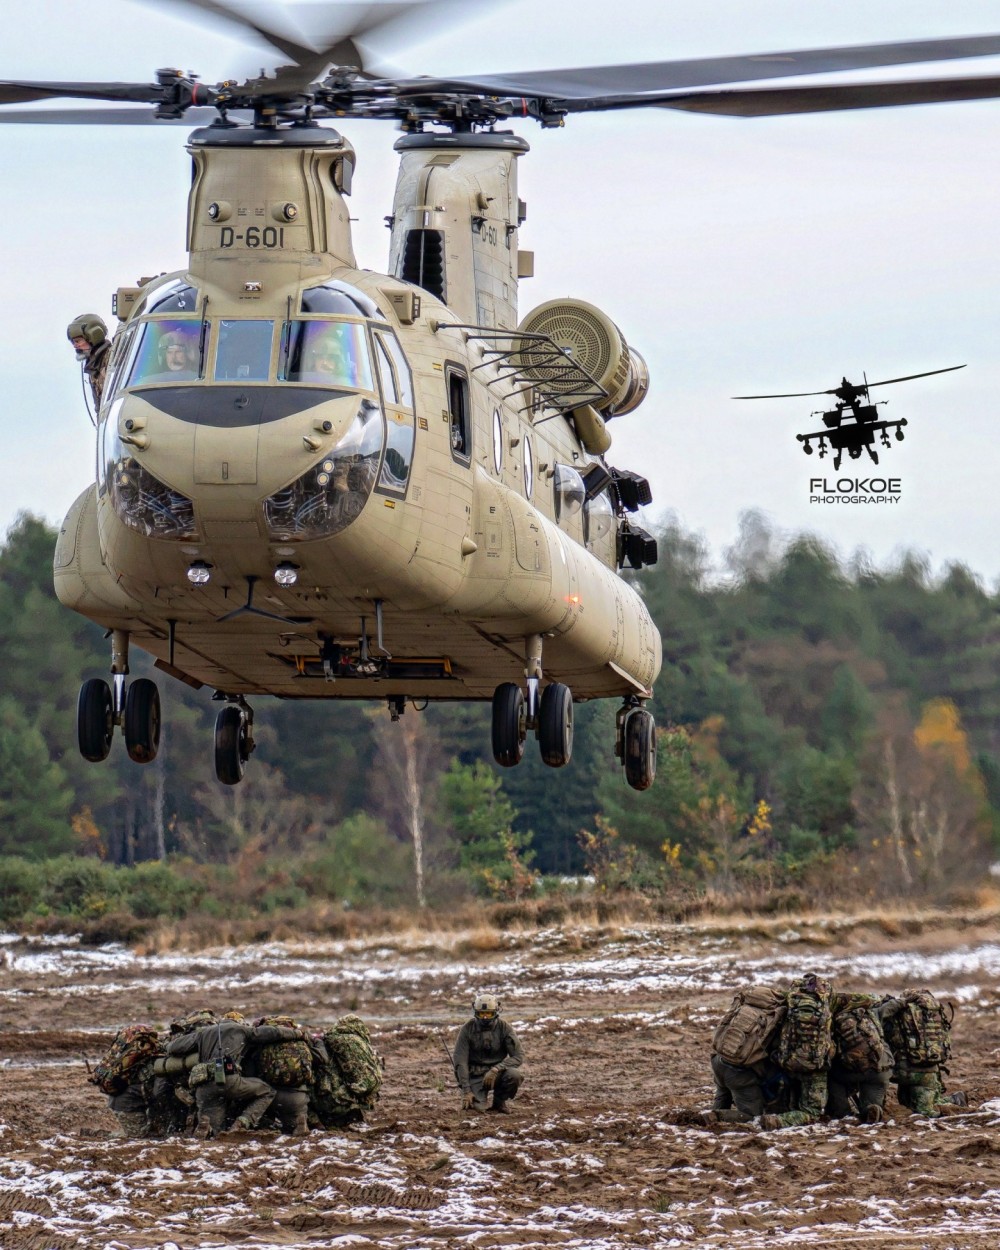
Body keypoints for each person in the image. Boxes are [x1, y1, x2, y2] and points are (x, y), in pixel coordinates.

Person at [166, 1012, 303, 1138]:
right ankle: (242, 1123)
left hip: (204, 1086)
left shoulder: (203, 1033)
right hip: (230, 1080)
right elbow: (274, 1033)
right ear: (239, 1022)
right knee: (267, 1091)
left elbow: (173, 1047)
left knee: (216, 1132)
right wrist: (298, 1034)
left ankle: (207, 1128)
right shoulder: (242, 1030)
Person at [826, 992, 901, 1123]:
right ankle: (871, 1108)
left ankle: (843, 1113)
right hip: (880, 1069)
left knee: (832, 1078)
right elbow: (892, 1006)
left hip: (850, 1071)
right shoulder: (872, 1013)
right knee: (873, 1095)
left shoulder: (833, 1019)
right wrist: (907, 1000)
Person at [452, 993, 524, 1114]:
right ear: (476, 1012)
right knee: (476, 1110)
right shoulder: (467, 1029)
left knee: (514, 1075)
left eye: (489, 1013)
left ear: (496, 1012)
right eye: (481, 1014)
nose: (485, 1017)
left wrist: (496, 1069)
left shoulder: (504, 1027)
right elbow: (460, 1062)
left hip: (497, 1074)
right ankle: (478, 1099)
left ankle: (499, 1102)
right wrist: (466, 1090)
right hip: (475, 1076)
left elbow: (518, 1056)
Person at [67, 312, 111, 412]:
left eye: (78, 341)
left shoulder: (112, 358)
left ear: (94, 336)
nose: (75, 346)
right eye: (73, 342)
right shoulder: (93, 367)